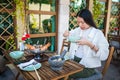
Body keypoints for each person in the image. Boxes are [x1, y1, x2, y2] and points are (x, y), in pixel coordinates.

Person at [63, 9, 109, 79]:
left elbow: (104, 55)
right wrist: (66, 34)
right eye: (78, 22)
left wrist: (89, 44)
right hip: (73, 61)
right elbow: (69, 34)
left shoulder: (98, 33)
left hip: (87, 67)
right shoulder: (78, 30)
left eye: (82, 22)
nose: (80, 25)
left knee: (65, 74)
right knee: (58, 69)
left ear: (88, 20)